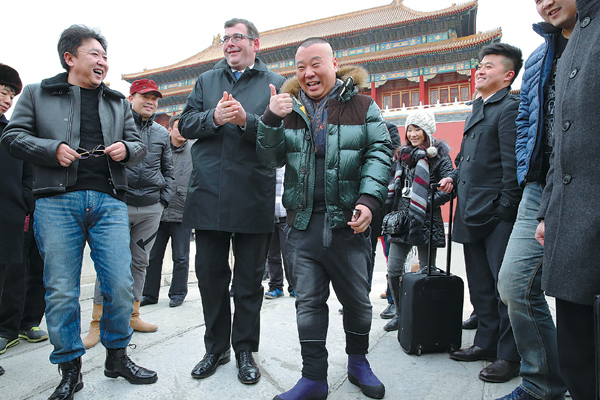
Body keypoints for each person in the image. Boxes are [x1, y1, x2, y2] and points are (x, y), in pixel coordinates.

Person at [1, 25, 157, 400]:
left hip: (109, 201)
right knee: (60, 290)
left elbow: (139, 146)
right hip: (56, 200)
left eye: (105, 55)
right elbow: (12, 137)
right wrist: (52, 148)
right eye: (94, 54)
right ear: (70, 58)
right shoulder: (38, 94)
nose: (103, 61)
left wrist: (126, 149)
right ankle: (70, 368)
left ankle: (117, 357)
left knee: (119, 284)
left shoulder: (119, 101)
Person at [258, 37, 392, 400]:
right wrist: (270, 117)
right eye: (300, 67)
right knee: (308, 303)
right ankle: (313, 377)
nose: (308, 73)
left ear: (335, 64)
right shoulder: (288, 109)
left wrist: (368, 200)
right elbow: (269, 159)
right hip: (301, 225)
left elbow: (381, 153)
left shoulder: (363, 106)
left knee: (358, 301)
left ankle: (358, 361)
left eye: (315, 64)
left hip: (348, 224)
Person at [178, 18, 285, 385]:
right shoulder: (207, 81)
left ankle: (244, 348)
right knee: (209, 275)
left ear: (256, 44)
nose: (229, 44)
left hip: (253, 194)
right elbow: (185, 123)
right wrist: (213, 116)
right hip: (208, 193)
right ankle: (215, 347)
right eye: (226, 39)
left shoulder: (276, 83)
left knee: (249, 280)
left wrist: (246, 121)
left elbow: (283, 139)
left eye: (237, 38)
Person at [496, 1, 576, 399]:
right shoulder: (541, 54)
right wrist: (527, 172)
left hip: (585, 183)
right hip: (538, 186)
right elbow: (528, 118)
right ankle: (542, 380)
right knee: (514, 283)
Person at [440, 42, 523, 384]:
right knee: (481, 286)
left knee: (505, 289)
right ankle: (485, 343)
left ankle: (508, 356)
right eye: (480, 65)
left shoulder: (510, 108)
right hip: (469, 209)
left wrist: (504, 209)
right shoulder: (478, 108)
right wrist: (453, 177)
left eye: (489, 66)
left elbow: (512, 166)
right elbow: (468, 160)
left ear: (507, 75)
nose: (480, 70)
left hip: (495, 215)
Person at [535, 1, 600, 398]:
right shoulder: (570, 42)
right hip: (569, 210)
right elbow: (560, 145)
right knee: (577, 346)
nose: (544, 2)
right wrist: (546, 211)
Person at [83, 78, 174, 348]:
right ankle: (97, 322)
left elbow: (168, 169)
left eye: (155, 98)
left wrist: (163, 200)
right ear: (130, 97)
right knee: (108, 262)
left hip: (150, 207)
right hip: (117, 204)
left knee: (140, 262)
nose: (150, 102)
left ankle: (133, 314)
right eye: (145, 96)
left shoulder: (161, 132)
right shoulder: (116, 125)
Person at [382, 109, 453, 332]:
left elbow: (449, 189)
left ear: (427, 131)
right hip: (402, 217)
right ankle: (401, 313)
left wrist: (424, 201)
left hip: (427, 217)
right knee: (394, 269)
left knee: (426, 271)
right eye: (410, 129)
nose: (413, 134)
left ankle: (424, 314)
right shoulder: (402, 156)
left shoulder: (439, 156)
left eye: (418, 129)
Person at [0, 64, 41, 375]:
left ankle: (9, 329)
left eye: (10, 95)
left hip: (11, 216)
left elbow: (28, 174)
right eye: (2, 92)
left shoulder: (12, 134)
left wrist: (24, 199)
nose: (6, 100)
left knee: (11, 274)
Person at [141, 114, 193, 308]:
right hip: (159, 211)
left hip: (183, 213)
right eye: (178, 127)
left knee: (181, 257)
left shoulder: (195, 150)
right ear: (169, 129)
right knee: (153, 256)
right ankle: (149, 294)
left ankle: (178, 293)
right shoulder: (160, 148)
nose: (181, 132)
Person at [264, 166, 296, 299]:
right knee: (272, 255)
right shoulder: (267, 166)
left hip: (285, 216)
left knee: (289, 254)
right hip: (269, 215)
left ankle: (294, 287)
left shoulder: (289, 165)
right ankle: (275, 286)